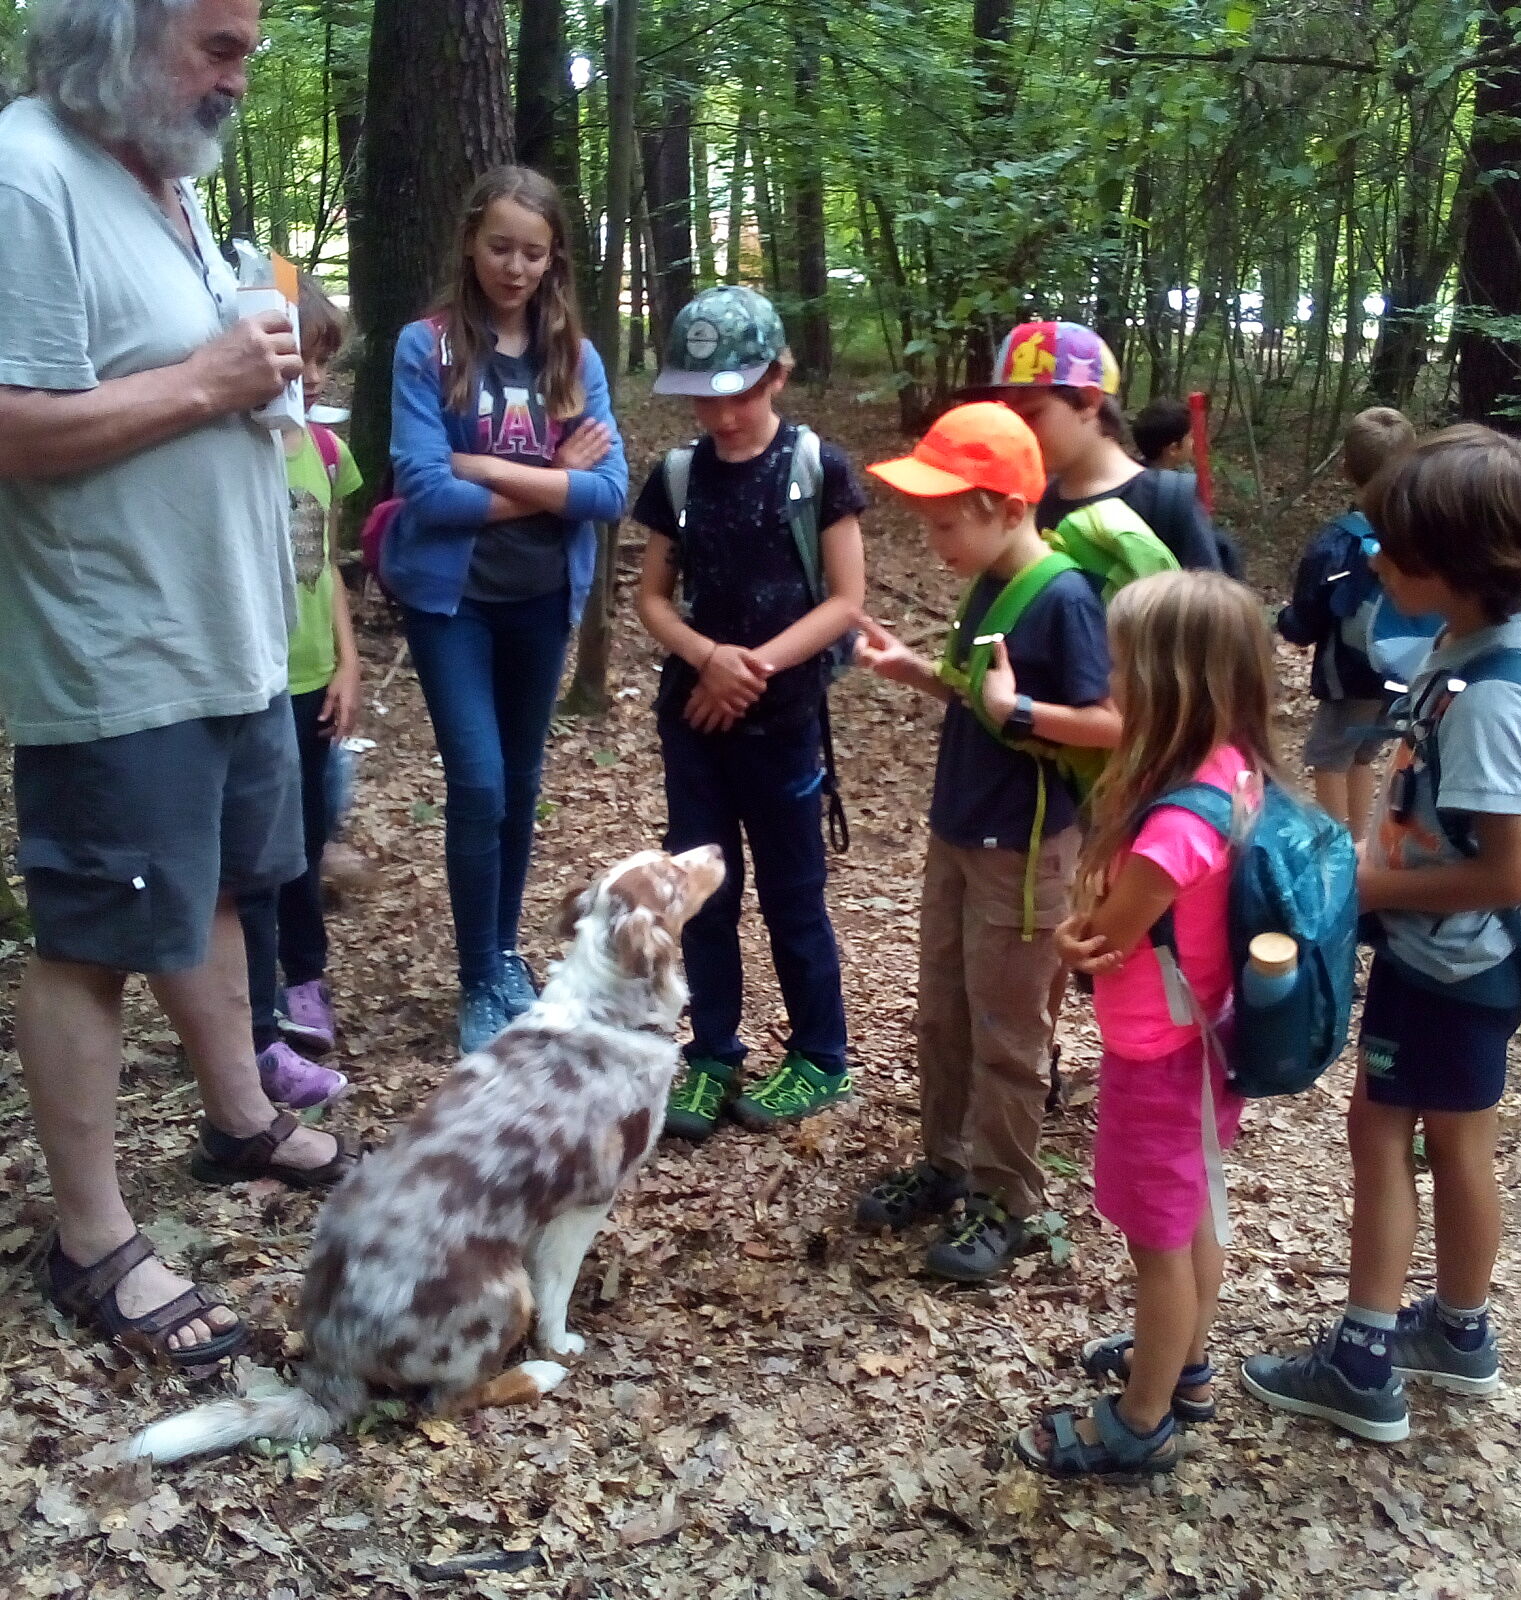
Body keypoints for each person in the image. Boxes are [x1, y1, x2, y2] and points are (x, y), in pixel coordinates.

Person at [0, 0, 356, 1371]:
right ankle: (90, 1239)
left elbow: (205, 375)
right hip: (118, 642)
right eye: (217, 45)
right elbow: (13, 425)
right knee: (93, 932)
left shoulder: (168, 181)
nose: (240, 74)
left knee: (217, 886)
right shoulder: (28, 173)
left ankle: (240, 1118)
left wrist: (244, 377)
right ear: (116, 32)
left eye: (249, 47)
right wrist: (211, 382)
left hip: (229, 629)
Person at [1243, 426, 1521, 1443]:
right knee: (1458, 1139)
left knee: (1382, 1134)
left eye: (1397, 549)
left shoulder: (1495, 694)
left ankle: (1363, 1358)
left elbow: (1509, 869)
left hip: (1448, 961)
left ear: (1460, 563)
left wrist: (1357, 886)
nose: (1378, 561)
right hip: (1461, 958)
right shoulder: (1475, 644)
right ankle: (1459, 1331)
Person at [1014, 570, 1275, 1478]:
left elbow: (1103, 942)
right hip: (1207, 1039)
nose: (1111, 680)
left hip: (1160, 1056)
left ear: (1169, 684)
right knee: (1195, 1209)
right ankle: (1185, 1366)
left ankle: (1141, 1420)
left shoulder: (1172, 829)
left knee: (1158, 1247)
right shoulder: (1233, 769)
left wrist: (1069, 928)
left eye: (1122, 665)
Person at [853, 404, 1121, 1280]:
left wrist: (1026, 710)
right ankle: (946, 1163)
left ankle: (1006, 1197)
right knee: (943, 1012)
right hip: (960, 828)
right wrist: (917, 672)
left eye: (945, 523)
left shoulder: (1065, 597)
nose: (932, 540)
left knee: (1008, 1030)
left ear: (1008, 509)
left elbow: (1110, 723)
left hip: (1026, 848)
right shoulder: (986, 582)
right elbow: (982, 697)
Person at [384, 165, 627, 1054]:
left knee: (520, 784)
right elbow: (425, 492)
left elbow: (609, 492)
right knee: (479, 782)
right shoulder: (428, 348)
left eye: (533, 252)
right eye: (500, 248)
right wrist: (553, 481)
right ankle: (477, 972)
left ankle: (501, 954)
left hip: (541, 599)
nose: (515, 268)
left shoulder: (574, 358)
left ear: (554, 256)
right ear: (470, 244)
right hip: (455, 603)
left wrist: (485, 466)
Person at [633, 286, 866, 1139]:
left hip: (784, 723)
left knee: (793, 895)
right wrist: (708, 658)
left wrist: (753, 667)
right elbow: (653, 598)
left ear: (777, 376)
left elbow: (845, 601)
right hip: (696, 724)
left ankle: (820, 1055)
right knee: (703, 896)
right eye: (704, 397)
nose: (722, 414)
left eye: (738, 393)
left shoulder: (816, 469)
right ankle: (712, 1052)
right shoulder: (679, 476)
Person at [236, 273, 361, 1108]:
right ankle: (255, 1013)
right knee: (259, 852)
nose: (312, 378)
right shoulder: (236, 450)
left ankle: (306, 978)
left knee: (309, 839)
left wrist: (349, 663)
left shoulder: (325, 452)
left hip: (315, 678)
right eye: (301, 359)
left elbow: (332, 571)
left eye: (323, 362)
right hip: (255, 681)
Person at [968, 322, 1226, 571]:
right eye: (1010, 416)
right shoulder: (1034, 505)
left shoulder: (1167, 503)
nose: (1016, 430)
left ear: (1089, 402)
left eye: (1031, 414)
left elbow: (1209, 599)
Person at [1277, 406, 1417, 833]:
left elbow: (1306, 618)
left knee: (1328, 759)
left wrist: (1285, 622)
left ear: (1345, 468)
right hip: (1402, 667)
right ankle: (1359, 841)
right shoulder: (1417, 530)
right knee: (1361, 756)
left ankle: (1338, 850)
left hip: (1349, 673)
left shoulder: (1339, 541)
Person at [1129, 397, 1193, 472]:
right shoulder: (1183, 478)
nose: (1195, 442)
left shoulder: (1132, 473)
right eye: (1191, 437)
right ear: (1173, 449)